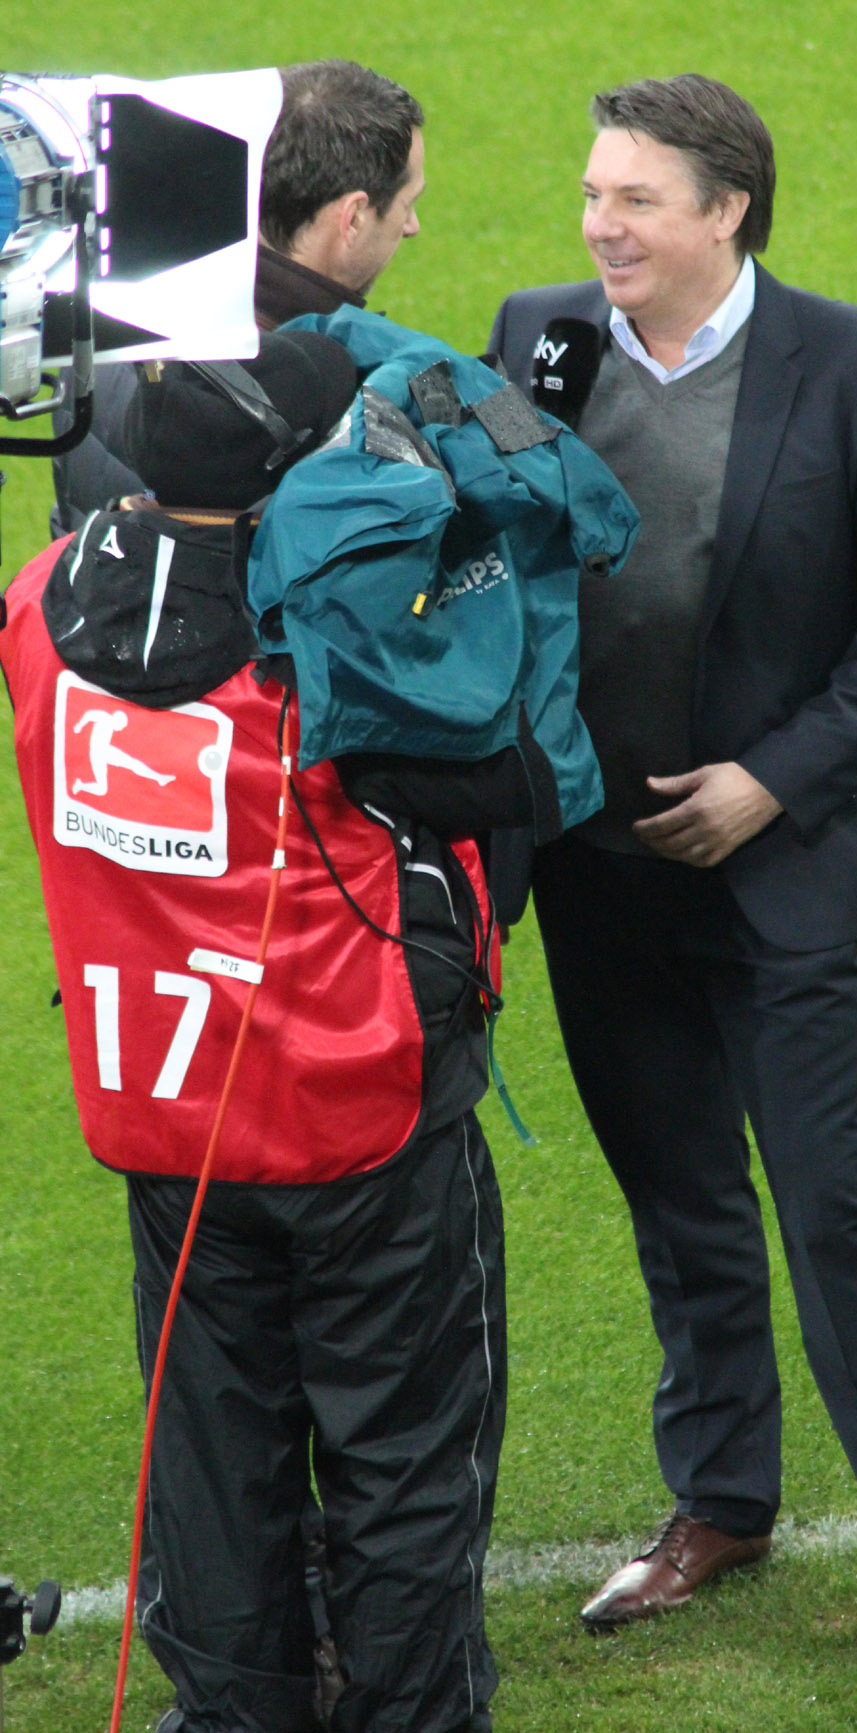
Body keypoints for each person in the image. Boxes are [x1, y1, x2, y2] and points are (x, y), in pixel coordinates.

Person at [487, 73, 857, 1699]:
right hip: (600, 867)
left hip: (777, 867)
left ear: (724, 212)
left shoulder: (851, 363)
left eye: (632, 199)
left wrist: (767, 778)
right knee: (682, 1204)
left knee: (832, 1208)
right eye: (590, 193)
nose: (596, 224)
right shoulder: (538, 339)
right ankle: (721, 1500)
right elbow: (493, 566)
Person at [2, 329, 504, 1733]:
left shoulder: (41, 609)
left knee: (213, 1455)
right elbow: (497, 755)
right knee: (403, 1460)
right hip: (357, 1117)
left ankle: (235, 1717)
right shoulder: (331, 644)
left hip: (167, 1124)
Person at [51, 58, 426, 535]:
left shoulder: (95, 336)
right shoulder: (348, 401)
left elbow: (70, 546)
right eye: (407, 204)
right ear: (352, 218)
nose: (411, 227)